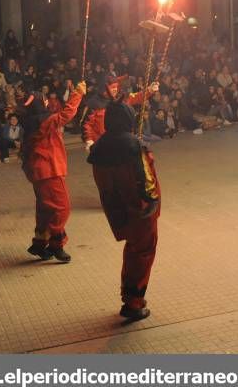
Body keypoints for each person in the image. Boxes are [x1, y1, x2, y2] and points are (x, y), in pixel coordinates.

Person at [88, 100, 160, 321]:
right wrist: (153, 203)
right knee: (143, 251)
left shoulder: (99, 147)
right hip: (139, 209)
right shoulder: (134, 146)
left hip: (115, 207)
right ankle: (133, 301)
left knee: (133, 249)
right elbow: (147, 180)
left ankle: (129, 294)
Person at [20, 81, 86, 262]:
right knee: (61, 209)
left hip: (38, 172)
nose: (48, 102)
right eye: (45, 100)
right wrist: (78, 93)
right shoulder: (45, 121)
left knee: (45, 209)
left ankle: (39, 244)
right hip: (49, 171)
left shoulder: (32, 122)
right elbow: (67, 114)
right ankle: (57, 245)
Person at [82, 73, 158, 151]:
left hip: (121, 142)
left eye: (116, 87)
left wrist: (150, 90)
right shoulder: (94, 103)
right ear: (104, 89)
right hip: (101, 143)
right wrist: (89, 140)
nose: (115, 89)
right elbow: (86, 124)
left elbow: (137, 97)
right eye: (112, 87)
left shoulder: (121, 98)